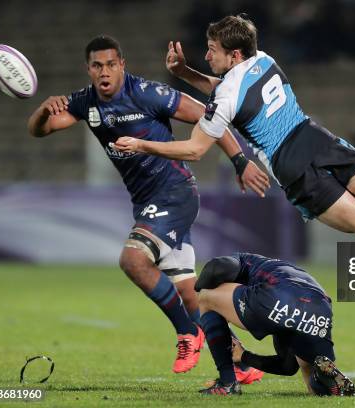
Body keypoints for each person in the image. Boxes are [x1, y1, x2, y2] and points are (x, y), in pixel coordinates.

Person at [112, 15, 355, 262]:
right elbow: (231, 92)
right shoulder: (265, 59)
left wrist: (142, 145)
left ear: (233, 54)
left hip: (292, 166)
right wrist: (185, 73)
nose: (206, 56)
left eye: (212, 50)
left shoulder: (225, 97)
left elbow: (193, 149)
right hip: (316, 138)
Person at [27, 35, 269, 375]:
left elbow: (208, 115)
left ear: (122, 65)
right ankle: (242, 363)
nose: (105, 72)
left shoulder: (147, 93)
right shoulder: (85, 102)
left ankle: (187, 332)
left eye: (111, 64)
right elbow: (42, 129)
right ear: (89, 70)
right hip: (146, 203)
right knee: (192, 296)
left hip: (174, 193)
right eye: (97, 66)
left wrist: (240, 161)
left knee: (134, 260)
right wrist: (42, 110)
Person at [194, 253, 355, 396]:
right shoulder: (282, 267)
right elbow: (287, 366)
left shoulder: (244, 261)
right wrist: (243, 356)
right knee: (309, 371)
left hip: (276, 297)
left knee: (206, 298)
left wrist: (197, 287)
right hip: (319, 307)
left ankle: (227, 384)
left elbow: (218, 268)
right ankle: (323, 386)